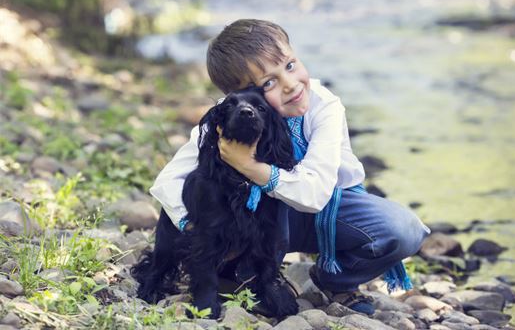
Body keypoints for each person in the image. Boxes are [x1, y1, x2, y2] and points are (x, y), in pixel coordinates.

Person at [150, 19, 430, 315]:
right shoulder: (232, 114)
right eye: (268, 83)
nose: (290, 84)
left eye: (290, 65)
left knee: (404, 230)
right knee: (246, 201)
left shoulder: (324, 106)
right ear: (246, 95)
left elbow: (315, 193)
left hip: (326, 210)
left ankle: (336, 279)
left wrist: (249, 167)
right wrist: (193, 226)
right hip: (261, 221)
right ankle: (248, 276)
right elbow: (167, 181)